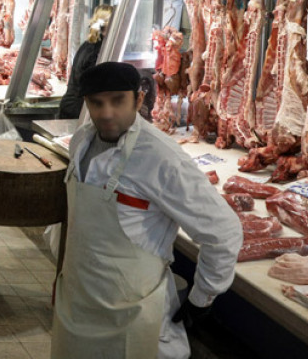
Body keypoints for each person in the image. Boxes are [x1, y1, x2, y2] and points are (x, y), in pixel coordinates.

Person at [51, 62, 243, 359]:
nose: (106, 113)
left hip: (134, 317)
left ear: (138, 99)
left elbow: (223, 231)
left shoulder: (160, 156)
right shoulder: (81, 141)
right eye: (96, 103)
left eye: (117, 101)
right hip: (77, 306)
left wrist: (201, 298)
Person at [58, 4, 116, 118]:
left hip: (72, 106)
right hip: (78, 110)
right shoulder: (97, 51)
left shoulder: (89, 44)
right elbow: (96, 86)